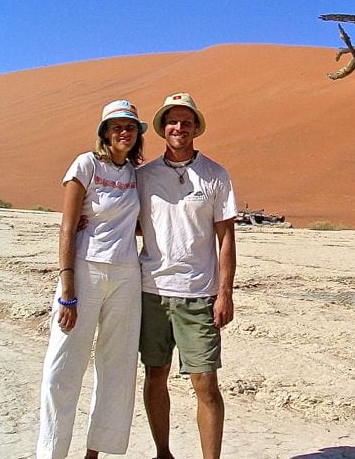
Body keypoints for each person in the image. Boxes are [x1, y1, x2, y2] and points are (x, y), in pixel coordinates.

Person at [36, 99, 147, 459]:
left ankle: (95, 452)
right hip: (84, 272)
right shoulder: (85, 164)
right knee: (63, 365)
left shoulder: (136, 174)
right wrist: (67, 289)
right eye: (117, 126)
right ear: (104, 131)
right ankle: (52, 452)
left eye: (130, 127)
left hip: (126, 274)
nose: (124, 132)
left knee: (117, 366)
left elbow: (144, 222)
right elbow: (67, 228)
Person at [137, 92, 238, 459]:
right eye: (172, 121)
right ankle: (162, 453)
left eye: (186, 121)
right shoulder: (143, 176)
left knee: (206, 384)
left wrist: (225, 292)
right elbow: (126, 222)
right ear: (163, 127)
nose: (179, 127)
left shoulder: (215, 175)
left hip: (199, 295)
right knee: (154, 375)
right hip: (151, 292)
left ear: (196, 127)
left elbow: (226, 238)